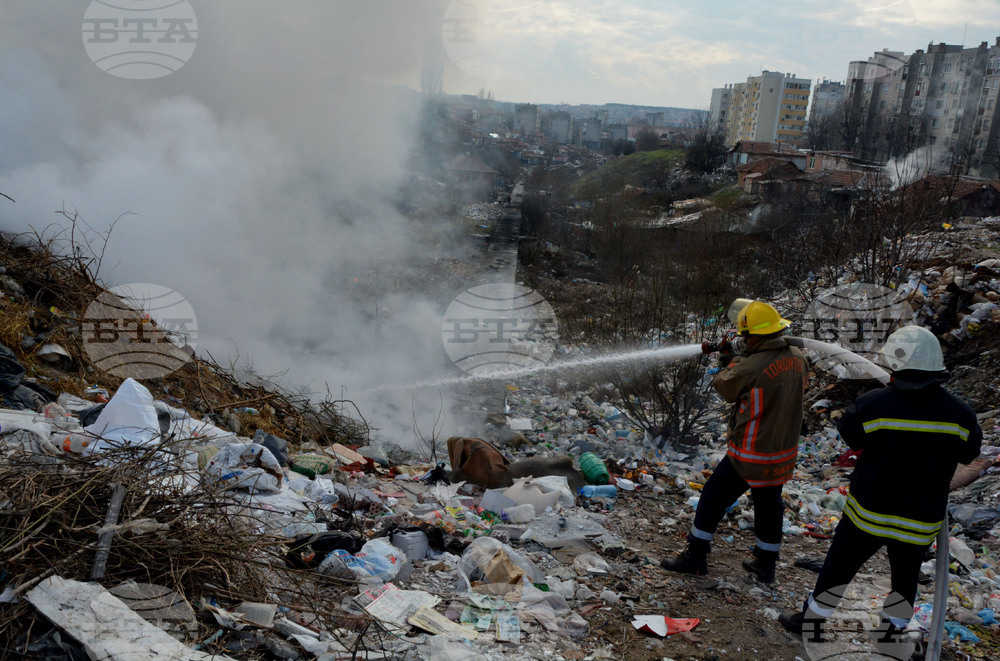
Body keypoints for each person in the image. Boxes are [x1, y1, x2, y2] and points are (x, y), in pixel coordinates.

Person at [779, 325, 982, 652]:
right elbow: (969, 453)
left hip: (868, 514)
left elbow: (851, 436)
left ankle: (812, 621)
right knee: (905, 582)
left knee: (838, 571)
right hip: (919, 523)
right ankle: (890, 635)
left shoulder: (873, 404)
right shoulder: (961, 415)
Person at [661, 300, 808, 583]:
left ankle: (695, 556)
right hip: (782, 453)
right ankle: (766, 564)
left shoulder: (750, 366)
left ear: (753, 336)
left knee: (713, 496)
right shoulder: (797, 357)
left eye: (745, 336)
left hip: (751, 453)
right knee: (769, 504)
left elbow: (724, 386)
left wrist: (727, 359)